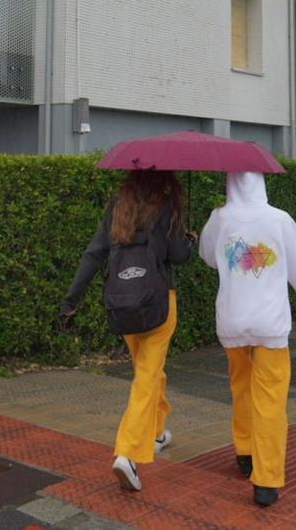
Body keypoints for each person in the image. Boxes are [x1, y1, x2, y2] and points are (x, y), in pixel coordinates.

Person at [198, 171, 296, 509]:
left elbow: (208, 257)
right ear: (260, 179)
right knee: (270, 401)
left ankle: (245, 452)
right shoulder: (280, 220)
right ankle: (267, 480)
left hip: (232, 321)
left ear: (229, 180)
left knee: (241, 387)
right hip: (270, 325)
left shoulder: (219, 218)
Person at [58, 170, 194, 493]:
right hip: (159, 306)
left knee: (149, 373)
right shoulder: (166, 207)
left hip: (123, 305)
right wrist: (189, 240)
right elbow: (178, 255)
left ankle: (157, 433)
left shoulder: (118, 206)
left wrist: (70, 300)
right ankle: (128, 453)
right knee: (146, 378)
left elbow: (94, 254)